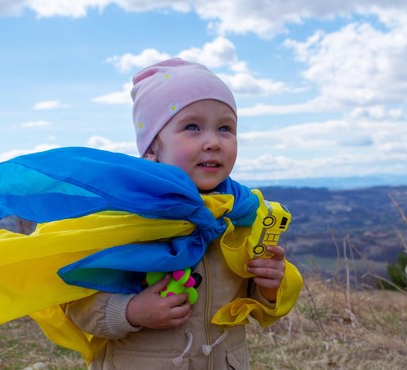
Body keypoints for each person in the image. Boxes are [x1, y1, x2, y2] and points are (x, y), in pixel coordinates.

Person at [65, 58, 302, 369]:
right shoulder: (124, 218)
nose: (214, 142)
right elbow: (76, 301)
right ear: (151, 149)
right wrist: (131, 310)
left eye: (225, 128)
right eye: (192, 126)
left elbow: (257, 305)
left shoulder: (244, 214)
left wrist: (268, 287)